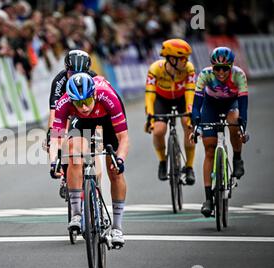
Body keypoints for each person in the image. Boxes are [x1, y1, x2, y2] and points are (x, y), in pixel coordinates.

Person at [49, 72, 129, 246]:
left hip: (107, 118)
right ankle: (77, 214)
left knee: (114, 171)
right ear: (71, 100)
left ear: (93, 94)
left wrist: (120, 159)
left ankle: (117, 227)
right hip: (82, 123)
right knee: (73, 153)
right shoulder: (65, 102)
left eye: (86, 101)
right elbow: (55, 137)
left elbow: (123, 138)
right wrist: (54, 161)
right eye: (78, 103)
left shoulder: (107, 96)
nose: (84, 107)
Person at [190, 47, 249, 217]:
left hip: (231, 105)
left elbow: (243, 105)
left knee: (233, 123)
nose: (221, 72)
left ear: (231, 67)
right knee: (209, 148)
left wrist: (242, 124)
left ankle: (237, 159)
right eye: (217, 68)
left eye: (225, 68)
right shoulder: (205, 74)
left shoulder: (239, 75)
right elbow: (196, 104)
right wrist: (196, 120)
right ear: (212, 67)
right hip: (211, 105)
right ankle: (208, 199)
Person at [45, 49, 97, 198]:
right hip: (67, 110)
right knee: (58, 138)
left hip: (86, 111)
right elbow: (54, 113)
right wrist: (52, 135)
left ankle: (94, 191)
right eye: (72, 73)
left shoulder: (94, 79)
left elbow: (99, 111)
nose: (76, 77)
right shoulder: (59, 81)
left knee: (94, 142)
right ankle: (65, 175)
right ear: (66, 70)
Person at [144, 38, 196, 184]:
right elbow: (150, 94)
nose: (186, 61)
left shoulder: (188, 69)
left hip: (182, 98)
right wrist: (150, 116)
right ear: (172, 59)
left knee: (188, 124)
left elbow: (190, 91)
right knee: (159, 130)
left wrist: (190, 111)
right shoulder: (155, 69)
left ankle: (190, 166)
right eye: (182, 58)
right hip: (162, 99)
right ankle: (162, 161)